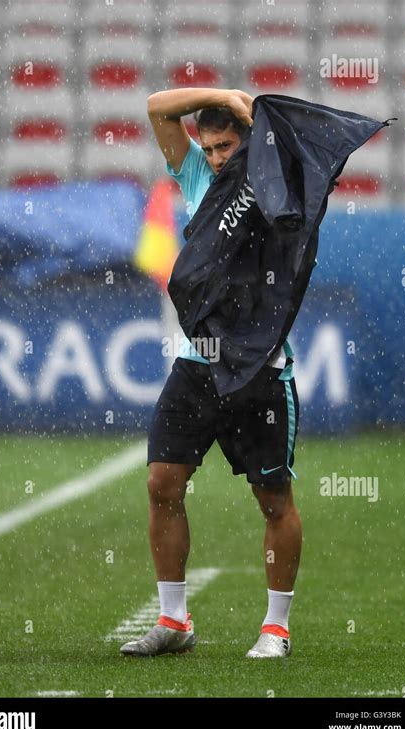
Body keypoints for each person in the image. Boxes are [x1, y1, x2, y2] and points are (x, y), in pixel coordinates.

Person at [120, 88, 301, 658]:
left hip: (258, 369)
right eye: (211, 147)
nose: (219, 157)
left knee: (274, 499)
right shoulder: (200, 181)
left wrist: (254, 119)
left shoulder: (272, 182)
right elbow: (157, 106)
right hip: (198, 362)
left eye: (228, 145)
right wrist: (222, 95)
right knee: (161, 484)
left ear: (249, 140)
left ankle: (276, 628)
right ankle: (174, 621)